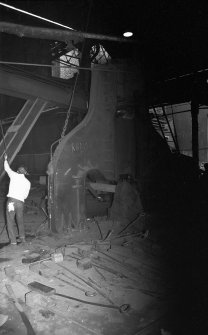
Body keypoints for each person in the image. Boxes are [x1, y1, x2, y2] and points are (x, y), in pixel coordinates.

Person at [4, 154, 31, 246]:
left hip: (11, 202)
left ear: (17, 171)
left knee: (10, 221)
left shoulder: (14, 175)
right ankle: (22, 238)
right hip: (20, 203)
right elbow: (26, 196)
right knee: (20, 220)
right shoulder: (28, 182)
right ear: (26, 173)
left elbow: (7, 168)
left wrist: (5, 159)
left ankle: (13, 241)